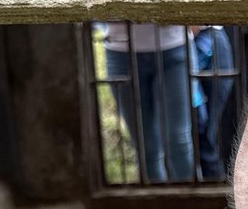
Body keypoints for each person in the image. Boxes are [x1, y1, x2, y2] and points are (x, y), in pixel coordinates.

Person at [100, 23, 195, 183]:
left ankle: (192, 203)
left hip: (173, 47)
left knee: (178, 140)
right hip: (121, 51)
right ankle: (158, 203)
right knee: (145, 147)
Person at [189, 26, 237, 181]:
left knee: (209, 131)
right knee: (199, 127)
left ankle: (214, 188)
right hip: (182, 43)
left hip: (214, 38)